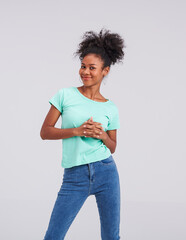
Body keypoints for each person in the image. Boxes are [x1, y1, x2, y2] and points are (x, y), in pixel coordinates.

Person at [40, 28, 125, 240]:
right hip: (75, 176)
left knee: (111, 237)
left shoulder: (110, 107)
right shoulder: (65, 95)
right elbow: (45, 132)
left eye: (92, 68)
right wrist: (77, 131)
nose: (85, 71)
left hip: (107, 173)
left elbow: (113, 146)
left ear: (105, 71)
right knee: (53, 236)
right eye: (83, 66)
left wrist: (102, 135)